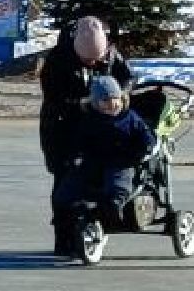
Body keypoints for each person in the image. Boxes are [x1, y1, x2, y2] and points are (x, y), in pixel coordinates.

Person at [39, 15, 133, 254]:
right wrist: (79, 104)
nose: (93, 63)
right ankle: (64, 237)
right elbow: (54, 98)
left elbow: (127, 78)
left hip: (96, 128)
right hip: (60, 127)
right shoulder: (57, 61)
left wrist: (121, 94)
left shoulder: (111, 55)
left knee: (98, 174)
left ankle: (91, 226)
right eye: (87, 60)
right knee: (65, 179)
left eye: (97, 59)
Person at [52, 75, 158, 256]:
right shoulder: (89, 120)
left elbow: (146, 136)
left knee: (117, 183)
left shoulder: (130, 118)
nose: (112, 104)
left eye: (115, 99)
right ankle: (72, 209)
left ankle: (112, 209)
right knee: (71, 185)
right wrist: (75, 156)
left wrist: (146, 147)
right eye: (105, 101)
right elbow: (79, 141)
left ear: (121, 98)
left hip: (122, 161)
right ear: (95, 104)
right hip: (94, 161)